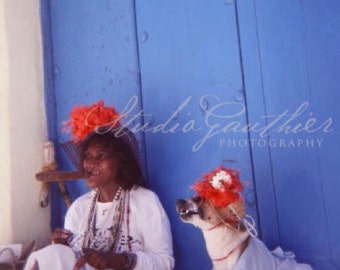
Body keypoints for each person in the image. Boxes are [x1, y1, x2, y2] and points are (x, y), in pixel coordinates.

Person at [24, 102, 175, 270]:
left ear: (121, 161)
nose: (91, 163)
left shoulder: (144, 201)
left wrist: (117, 261)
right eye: (88, 156)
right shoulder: (80, 208)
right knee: (51, 254)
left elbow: (164, 263)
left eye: (101, 155)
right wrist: (63, 247)